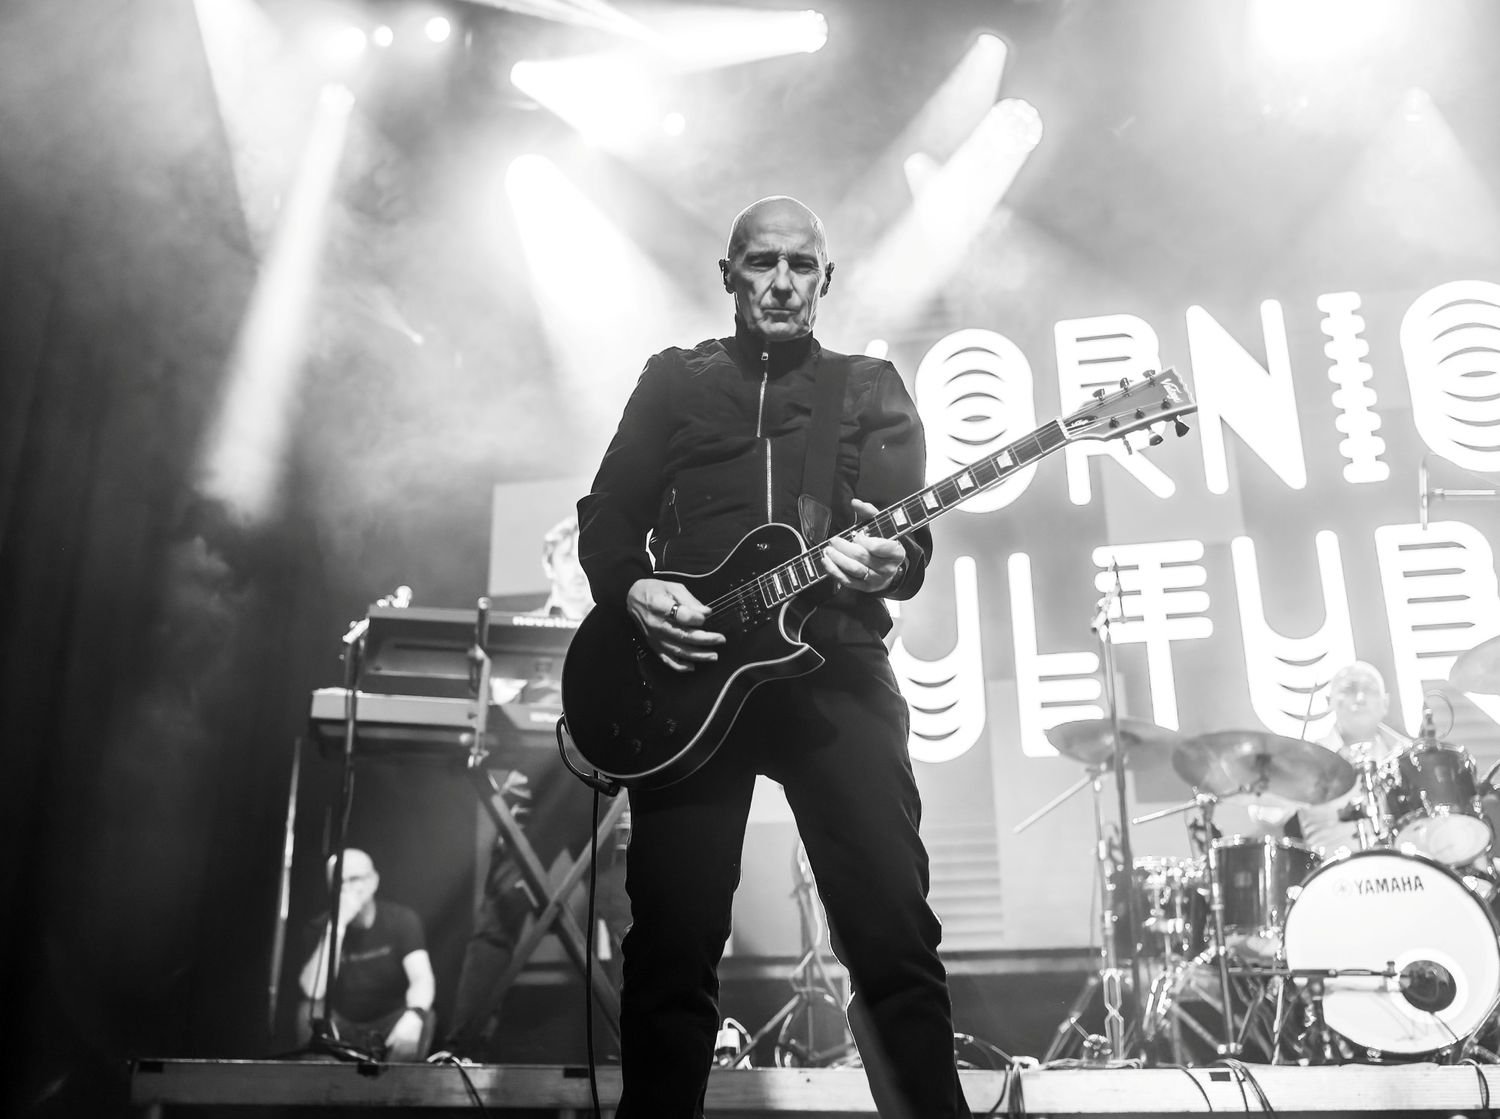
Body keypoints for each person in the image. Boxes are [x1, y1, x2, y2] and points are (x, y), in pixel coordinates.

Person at [575, 197, 971, 1118]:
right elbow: (609, 513)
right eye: (762, 263)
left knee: (891, 934)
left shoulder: (866, 385)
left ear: (826, 279)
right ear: (729, 275)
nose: (782, 282)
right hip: (687, 683)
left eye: (801, 265)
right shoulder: (673, 380)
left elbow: (904, 543)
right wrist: (633, 588)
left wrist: (892, 560)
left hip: (833, 669)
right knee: (669, 948)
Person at [440, 513, 631, 1060]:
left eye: (584, 560)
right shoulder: (521, 631)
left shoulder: (617, 627)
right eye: (567, 559)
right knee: (502, 909)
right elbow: (499, 701)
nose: (577, 571)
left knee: (629, 918)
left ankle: (643, 1048)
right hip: (539, 784)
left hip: (607, 784)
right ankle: (461, 1046)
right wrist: (494, 674)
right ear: (549, 565)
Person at [1246, 661, 1408, 856]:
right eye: (1349, 690)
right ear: (1329, 701)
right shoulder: (1308, 758)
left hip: (1405, 868)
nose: (1360, 698)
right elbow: (1265, 817)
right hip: (1334, 868)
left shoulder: (1407, 754)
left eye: (1370, 690)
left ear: (1385, 702)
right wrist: (1279, 775)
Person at [295, 848, 436, 1061]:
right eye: (339, 882)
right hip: (341, 1026)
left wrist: (414, 1015)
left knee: (425, 1016)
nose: (346, 888)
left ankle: (395, 1081)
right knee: (307, 1012)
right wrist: (337, 927)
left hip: (389, 1023)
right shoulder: (319, 928)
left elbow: (422, 978)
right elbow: (312, 992)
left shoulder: (401, 920)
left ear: (373, 881)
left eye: (354, 879)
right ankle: (324, 1081)